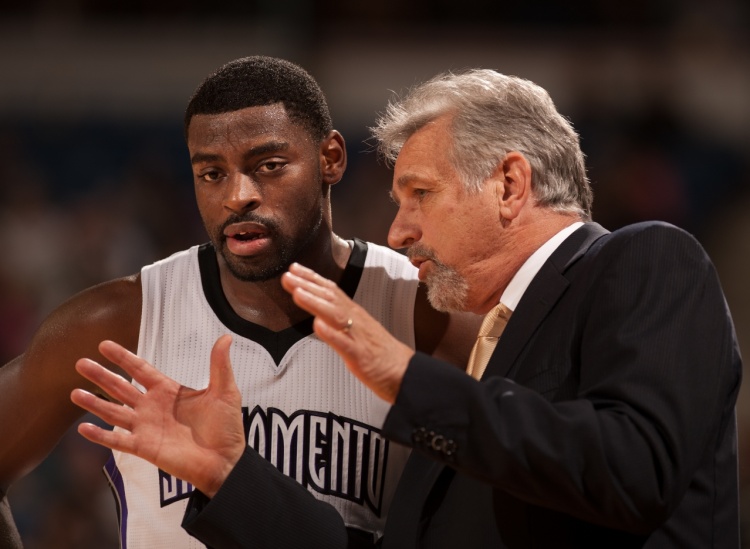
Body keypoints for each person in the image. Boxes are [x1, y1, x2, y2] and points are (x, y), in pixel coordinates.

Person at [71, 69, 743, 548]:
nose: (397, 232)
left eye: (420, 193)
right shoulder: (482, 362)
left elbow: (636, 468)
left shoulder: (643, 259)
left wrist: (404, 375)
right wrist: (228, 476)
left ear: (510, 184)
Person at [0, 56, 479, 549]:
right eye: (212, 173)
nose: (238, 196)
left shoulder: (426, 311)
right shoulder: (120, 320)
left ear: (331, 158)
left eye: (268, 166)